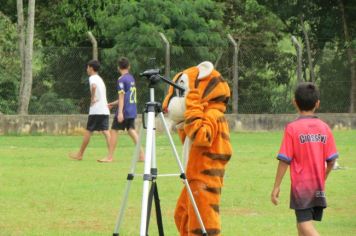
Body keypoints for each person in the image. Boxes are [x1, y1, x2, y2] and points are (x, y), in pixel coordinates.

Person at [271, 82, 339, 236]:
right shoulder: (324, 128)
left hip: (301, 187)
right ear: (318, 104)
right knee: (301, 226)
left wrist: (276, 186)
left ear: (294, 102)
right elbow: (332, 160)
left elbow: (284, 160)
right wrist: (323, 177)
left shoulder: (292, 129)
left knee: (305, 226)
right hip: (318, 187)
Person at [98, 57, 144, 163]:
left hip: (124, 111)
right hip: (132, 109)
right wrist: (113, 104)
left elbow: (122, 97)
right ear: (129, 66)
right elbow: (126, 97)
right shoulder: (131, 78)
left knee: (114, 130)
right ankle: (142, 155)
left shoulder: (121, 79)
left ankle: (109, 157)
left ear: (118, 68)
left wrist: (119, 113)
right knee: (131, 130)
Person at [69, 60, 111, 160]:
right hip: (104, 109)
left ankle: (80, 154)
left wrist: (92, 99)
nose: (87, 69)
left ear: (91, 68)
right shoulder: (100, 79)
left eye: (87, 67)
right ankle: (110, 155)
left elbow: (93, 87)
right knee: (106, 131)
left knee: (89, 131)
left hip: (96, 110)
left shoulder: (92, 78)